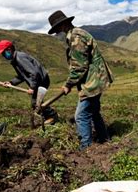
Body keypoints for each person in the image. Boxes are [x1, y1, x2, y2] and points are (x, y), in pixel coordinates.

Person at [47, 10, 114, 150]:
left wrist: (68, 84)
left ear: (63, 24)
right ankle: (105, 139)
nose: (57, 32)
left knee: (81, 115)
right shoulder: (76, 35)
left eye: (57, 28)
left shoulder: (76, 37)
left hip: (93, 81)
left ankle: (86, 147)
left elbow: (80, 66)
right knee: (94, 112)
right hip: (95, 78)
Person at [0, 40, 57, 124]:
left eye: (4, 53)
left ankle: (52, 116)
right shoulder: (15, 60)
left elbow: (34, 73)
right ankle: (47, 117)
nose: (3, 55)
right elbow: (22, 76)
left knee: (35, 102)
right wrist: (11, 82)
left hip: (41, 80)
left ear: (9, 49)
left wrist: (32, 87)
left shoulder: (20, 58)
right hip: (38, 81)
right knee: (36, 102)